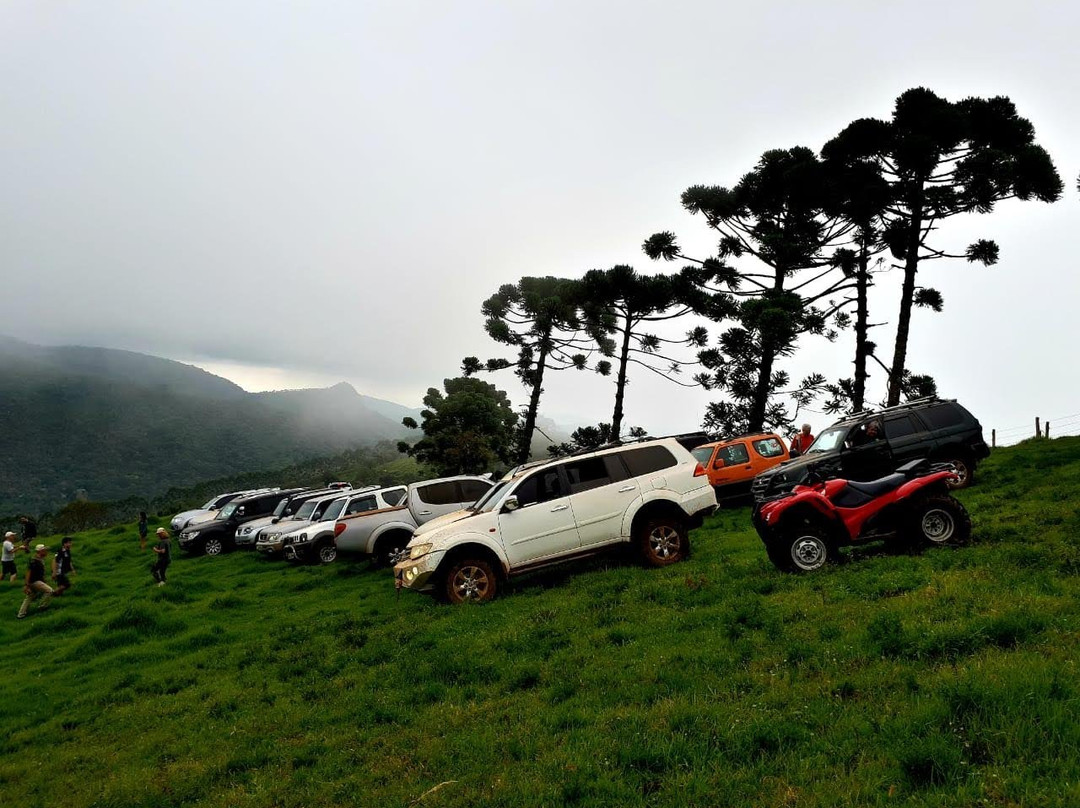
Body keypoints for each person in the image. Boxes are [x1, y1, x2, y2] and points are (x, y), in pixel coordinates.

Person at [17, 544, 54, 619]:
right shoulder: (34, 561)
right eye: (44, 550)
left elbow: (41, 573)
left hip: (36, 581)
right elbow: (28, 572)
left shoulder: (40, 560)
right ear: (40, 551)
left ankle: (21, 614)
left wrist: (44, 581)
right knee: (50, 591)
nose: (46, 552)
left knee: (30, 597)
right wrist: (26, 585)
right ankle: (42, 606)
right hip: (34, 581)